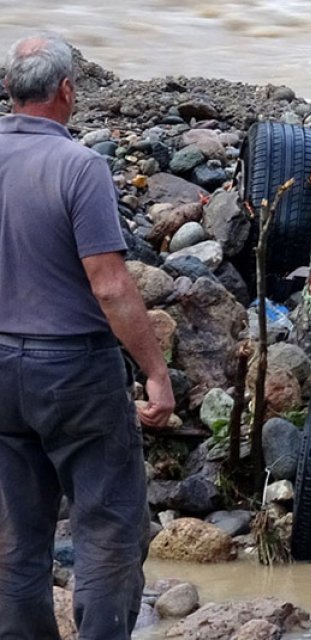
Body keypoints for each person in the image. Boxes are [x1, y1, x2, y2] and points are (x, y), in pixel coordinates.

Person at [0, 33, 174, 639]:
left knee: (18, 538)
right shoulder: (80, 166)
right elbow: (111, 287)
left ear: (8, 89)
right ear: (68, 91)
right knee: (106, 527)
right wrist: (154, 370)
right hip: (74, 368)